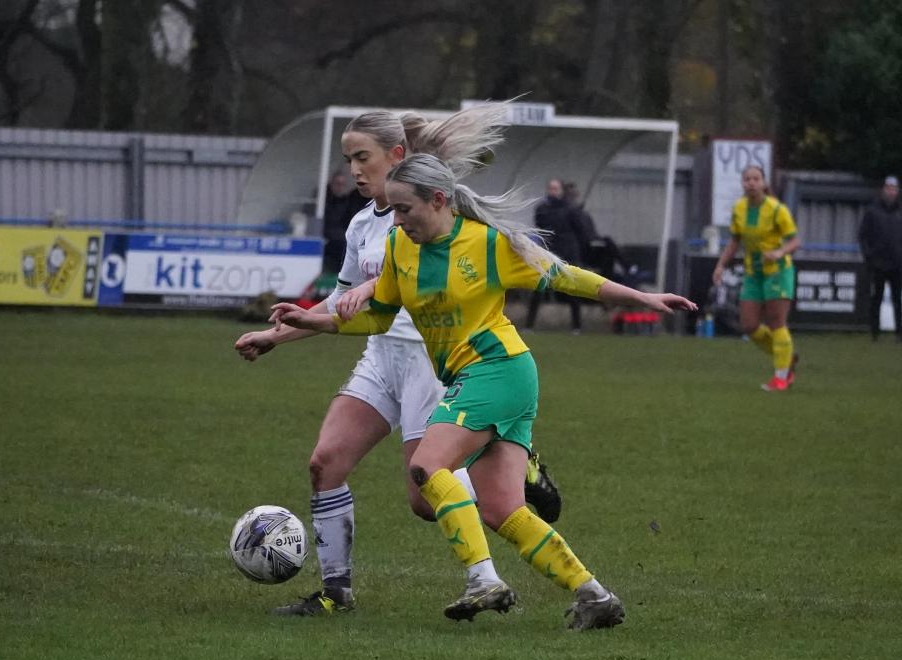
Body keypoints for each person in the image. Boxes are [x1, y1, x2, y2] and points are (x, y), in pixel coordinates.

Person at [267, 153, 697, 629]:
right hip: (482, 378)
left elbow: (568, 277)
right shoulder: (398, 248)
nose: (400, 220)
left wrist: (644, 298)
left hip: (498, 370)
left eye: (407, 209)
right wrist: (314, 320)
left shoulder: (488, 244)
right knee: (501, 510)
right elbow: (380, 316)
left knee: (427, 467)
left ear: (438, 199)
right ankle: (594, 596)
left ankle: (482, 580)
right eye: (395, 210)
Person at [234, 106, 562, 617]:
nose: (354, 171)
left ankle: (516, 476)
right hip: (380, 356)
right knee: (325, 463)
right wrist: (277, 333)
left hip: (431, 361)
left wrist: (375, 285)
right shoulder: (363, 223)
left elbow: (419, 274)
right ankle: (335, 594)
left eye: (362, 158)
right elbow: (339, 303)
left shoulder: (437, 216)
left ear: (398, 156)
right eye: (348, 160)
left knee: (425, 499)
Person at [712, 164, 801, 391]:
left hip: (778, 271)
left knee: (776, 322)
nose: (751, 183)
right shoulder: (739, 208)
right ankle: (786, 355)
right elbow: (734, 241)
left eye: (756, 178)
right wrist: (721, 265)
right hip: (753, 272)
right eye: (747, 179)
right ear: (743, 183)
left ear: (763, 183)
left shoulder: (776, 209)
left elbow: (795, 241)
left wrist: (780, 252)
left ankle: (781, 377)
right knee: (749, 326)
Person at [524, 179, 590, 333]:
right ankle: (528, 325)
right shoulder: (542, 208)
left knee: (572, 287)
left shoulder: (571, 209)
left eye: (556, 188)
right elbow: (540, 225)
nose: (553, 191)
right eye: (550, 188)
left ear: (561, 191)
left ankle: (576, 326)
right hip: (549, 251)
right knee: (539, 286)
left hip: (568, 251)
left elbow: (580, 231)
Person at [858, 175, 902, 341]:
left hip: (897, 264)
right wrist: (869, 256)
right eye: (888, 188)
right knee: (876, 298)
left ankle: (899, 333)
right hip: (878, 264)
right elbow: (862, 236)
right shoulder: (872, 211)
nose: (891, 192)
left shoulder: (900, 212)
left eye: (894, 189)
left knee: (898, 299)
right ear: (883, 190)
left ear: (897, 191)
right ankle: (875, 334)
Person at [321, 171, 365, 274]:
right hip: (327, 239)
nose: (340, 187)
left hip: (342, 239)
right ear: (331, 184)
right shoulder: (323, 200)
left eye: (342, 185)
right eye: (337, 184)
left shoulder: (349, 201)